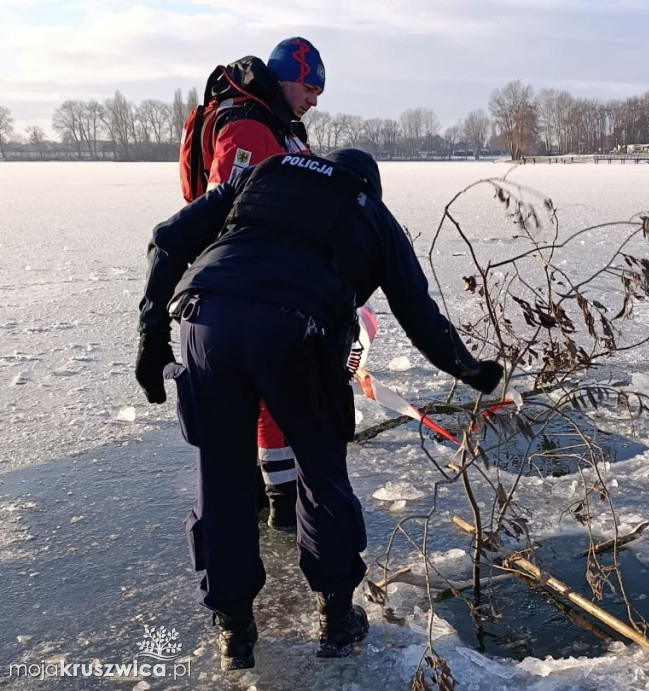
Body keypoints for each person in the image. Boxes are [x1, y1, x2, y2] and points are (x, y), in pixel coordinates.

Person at [134, 148, 502, 670]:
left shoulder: (260, 175)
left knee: (222, 476)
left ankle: (234, 630)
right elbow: (418, 312)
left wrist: (151, 335)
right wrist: (472, 371)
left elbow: (168, 238)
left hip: (207, 320)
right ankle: (336, 617)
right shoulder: (372, 212)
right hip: (297, 332)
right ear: (369, 184)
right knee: (320, 472)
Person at [193, 36, 327, 531]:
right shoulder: (250, 126)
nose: (313, 100)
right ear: (287, 77)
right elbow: (224, 211)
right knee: (271, 389)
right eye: (309, 88)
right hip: (250, 285)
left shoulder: (277, 124)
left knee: (267, 391)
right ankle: (282, 499)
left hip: (270, 278)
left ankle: (263, 490)